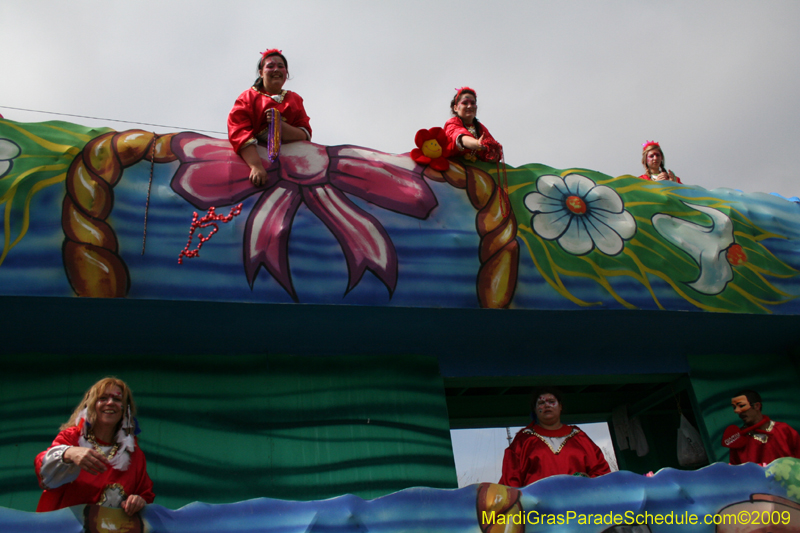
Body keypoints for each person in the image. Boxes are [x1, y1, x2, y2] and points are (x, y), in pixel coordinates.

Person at [34, 377, 154, 514]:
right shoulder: (72, 437)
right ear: (91, 405)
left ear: (125, 409)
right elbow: (42, 471)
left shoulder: (133, 453)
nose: (110, 403)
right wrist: (69, 453)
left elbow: (145, 494)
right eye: (103, 398)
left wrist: (138, 501)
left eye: (117, 399)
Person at [228, 49, 312, 187]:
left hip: (291, 165)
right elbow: (238, 131)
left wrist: (279, 125)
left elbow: (304, 134)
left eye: (280, 66)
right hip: (257, 158)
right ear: (261, 73)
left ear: (286, 72)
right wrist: (256, 166)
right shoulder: (248, 97)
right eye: (270, 66)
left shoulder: (295, 99)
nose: (276, 70)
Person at [500, 387, 610, 487]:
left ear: (560, 406)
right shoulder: (523, 440)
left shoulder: (579, 437)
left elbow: (602, 473)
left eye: (552, 402)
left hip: (578, 505)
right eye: (541, 403)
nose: (547, 405)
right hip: (537, 507)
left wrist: (588, 480)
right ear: (535, 409)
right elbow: (511, 480)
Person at [727, 390, 800, 465]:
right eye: (734, 407)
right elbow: (736, 470)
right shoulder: (738, 440)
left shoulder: (784, 430)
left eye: (741, 406)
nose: (737, 411)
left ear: (757, 406)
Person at [443, 87, 502, 162]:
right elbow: (461, 138)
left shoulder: (481, 128)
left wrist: (495, 151)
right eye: (465, 103)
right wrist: (478, 143)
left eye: (473, 103)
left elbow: (493, 155)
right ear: (455, 108)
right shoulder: (452, 123)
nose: (469, 106)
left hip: (475, 171)